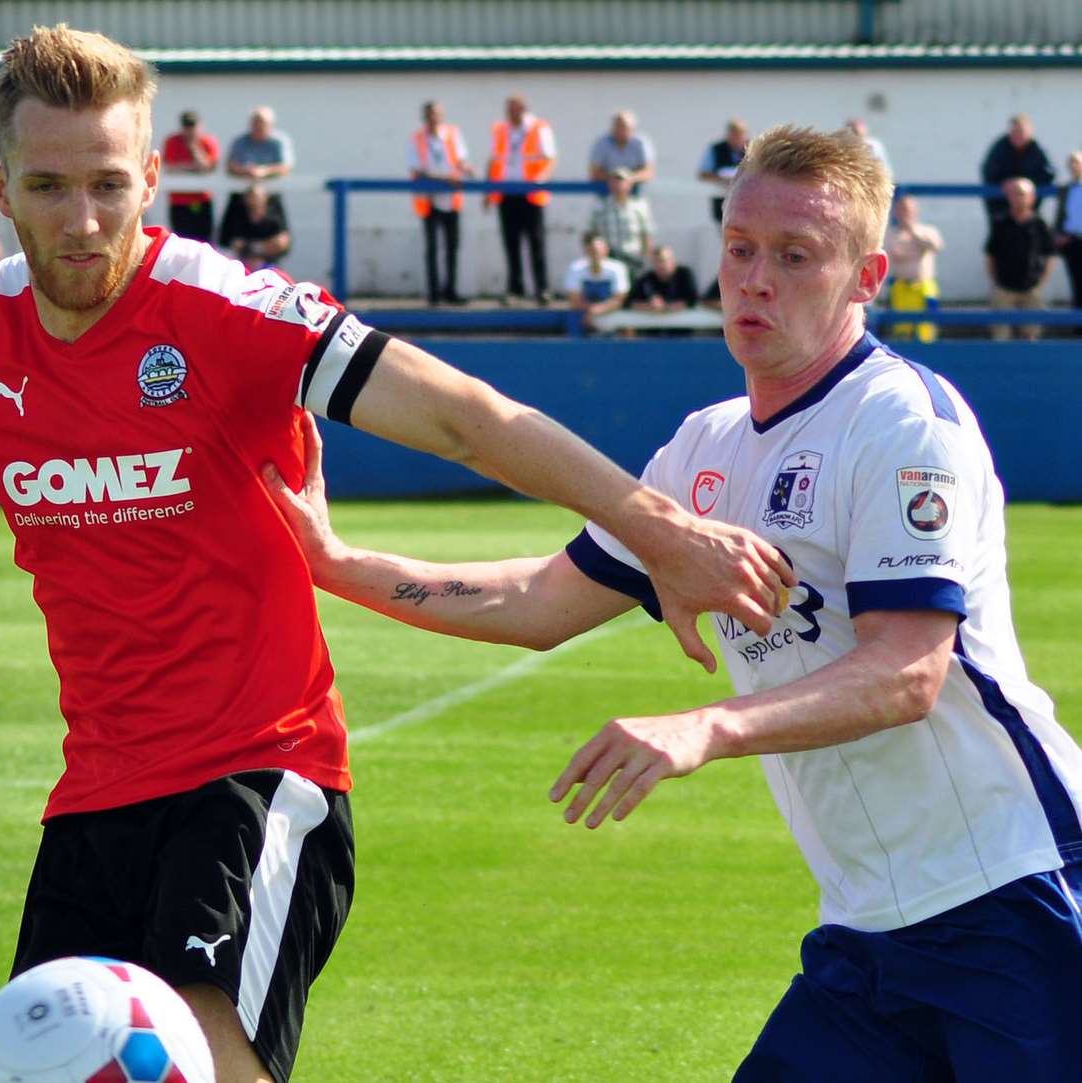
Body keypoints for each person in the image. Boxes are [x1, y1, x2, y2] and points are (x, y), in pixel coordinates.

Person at [0, 27, 790, 1083]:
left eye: (110, 184)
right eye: (49, 187)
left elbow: (469, 419)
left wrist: (661, 530)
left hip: (258, 776)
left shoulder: (233, 311)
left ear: (151, 181)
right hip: (93, 798)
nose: (83, 219)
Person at [265, 123, 1082, 1083]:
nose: (755, 279)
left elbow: (905, 672)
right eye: (740, 249)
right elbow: (538, 599)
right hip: (866, 932)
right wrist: (335, 562)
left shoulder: (903, 425)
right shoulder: (704, 449)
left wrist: (704, 727)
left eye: (793, 256)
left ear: (865, 276)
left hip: (1013, 900)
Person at [486, 94, 557, 305]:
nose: (511, 113)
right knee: (511, 242)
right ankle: (515, 289)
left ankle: (541, 288)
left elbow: (550, 157)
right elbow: (494, 160)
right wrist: (488, 190)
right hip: (507, 192)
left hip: (531, 193)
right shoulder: (500, 129)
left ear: (524, 108)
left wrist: (541, 178)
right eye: (509, 109)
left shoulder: (538, 127)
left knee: (536, 241)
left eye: (515, 108)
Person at [409, 100, 473, 305]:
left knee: (452, 246)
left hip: (451, 199)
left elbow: (460, 159)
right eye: (429, 115)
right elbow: (417, 170)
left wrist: (467, 169)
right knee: (432, 247)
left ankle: (450, 290)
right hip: (429, 199)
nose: (433, 118)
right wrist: (445, 179)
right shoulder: (417, 139)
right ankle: (434, 293)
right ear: (424, 117)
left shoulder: (453, 134)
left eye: (436, 114)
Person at [984, 177, 1056, 341]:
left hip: (1031, 288)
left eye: (1022, 194)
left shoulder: (1040, 224)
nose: (1018, 198)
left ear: (1032, 197)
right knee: (1000, 335)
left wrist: (1041, 282)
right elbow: (991, 254)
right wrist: (996, 281)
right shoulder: (1000, 223)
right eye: (1015, 194)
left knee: (1031, 335)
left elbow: (1050, 255)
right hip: (1004, 287)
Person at [222, 106, 295, 248]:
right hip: (241, 198)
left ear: (271, 126)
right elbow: (230, 166)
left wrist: (264, 171)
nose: (258, 128)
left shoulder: (278, 142)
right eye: (255, 124)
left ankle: (265, 264)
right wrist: (247, 171)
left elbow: (286, 167)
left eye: (262, 125)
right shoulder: (240, 141)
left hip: (270, 198)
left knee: (279, 241)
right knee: (234, 240)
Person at [883, 194, 945, 343]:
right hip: (901, 287)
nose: (905, 213)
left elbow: (936, 246)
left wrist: (913, 232)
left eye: (908, 209)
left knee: (926, 330)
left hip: (924, 287)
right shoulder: (890, 234)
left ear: (915, 211)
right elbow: (893, 254)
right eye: (902, 209)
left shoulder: (927, 231)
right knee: (901, 330)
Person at [981, 114, 1055, 223]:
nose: (1018, 135)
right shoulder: (1000, 147)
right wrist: (1006, 183)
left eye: (1022, 132)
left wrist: (1029, 185)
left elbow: (1049, 173)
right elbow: (988, 171)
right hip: (1001, 205)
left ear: (1030, 132)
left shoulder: (1036, 149)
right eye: (1015, 131)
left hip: (1029, 210)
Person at [161, 110, 221, 243]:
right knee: (181, 242)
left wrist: (194, 148)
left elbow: (207, 167)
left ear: (200, 126)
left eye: (193, 126)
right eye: (186, 126)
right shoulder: (172, 141)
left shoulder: (208, 142)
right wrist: (193, 168)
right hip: (179, 202)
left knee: (205, 242)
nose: (189, 130)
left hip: (202, 200)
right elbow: (170, 167)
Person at [589, 167, 653, 279]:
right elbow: (592, 234)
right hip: (609, 258)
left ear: (629, 184)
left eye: (621, 180)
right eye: (613, 181)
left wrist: (646, 258)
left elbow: (646, 234)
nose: (617, 184)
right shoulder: (600, 207)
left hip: (633, 257)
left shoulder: (639, 207)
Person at [563, 230, 629, 333]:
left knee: (627, 323)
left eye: (597, 250)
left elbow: (619, 300)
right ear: (585, 251)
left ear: (606, 250)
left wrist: (594, 311)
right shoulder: (575, 269)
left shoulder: (617, 268)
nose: (595, 254)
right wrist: (591, 312)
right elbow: (574, 300)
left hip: (610, 314)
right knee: (572, 318)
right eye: (591, 250)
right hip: (583, 317)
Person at [218, 184, 290, 272]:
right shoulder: (237, 217)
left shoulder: (274, 219)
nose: (254, 201)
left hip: (268, 264)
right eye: (251, 197)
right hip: (241, 263)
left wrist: (253, 248)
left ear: (265, 198)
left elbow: (281, 243)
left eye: (257, 197)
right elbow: (231, 242)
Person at [697, 117, 750, 224]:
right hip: (721, 198)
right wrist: (721, 178)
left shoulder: (753, 148)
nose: (737, 136)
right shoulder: (715, 149)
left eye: (740, 133)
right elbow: (702, 174)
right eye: (734, 132)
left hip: (747, 201)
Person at [588, 110, 655, 193]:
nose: (620, 130)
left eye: (623, 126)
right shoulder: (602, 143)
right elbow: (594, 172)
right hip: (606, 195)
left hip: (636, 195)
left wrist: (629, 179)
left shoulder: (641, 143)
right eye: (617, 126)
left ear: (632, 128)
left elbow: (648, 172)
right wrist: (616, 180)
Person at [1053, 149, 1082, 324]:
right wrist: (1058, 235)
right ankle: (1078, 325)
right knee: (1077, 283)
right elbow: (1060, 215)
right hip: (1072, 241)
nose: (1074, 166)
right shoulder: (1065, 190)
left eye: (1077, 162)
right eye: (1072, 163)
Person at [628, 244, 697, 314]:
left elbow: (693, 301)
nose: (660, 265)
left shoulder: (684, 275)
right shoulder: (646, 279)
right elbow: (631, 303)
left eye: (663, 260)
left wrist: (665, 307)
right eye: (656, 261)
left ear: (672, 261)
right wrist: (649, 305)